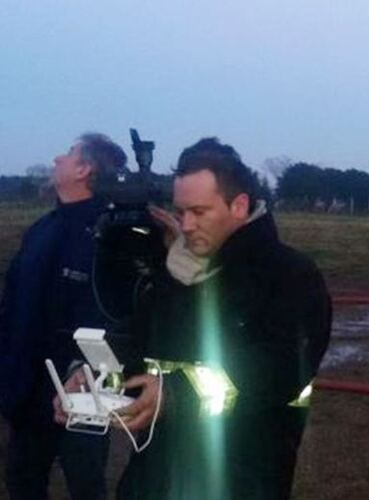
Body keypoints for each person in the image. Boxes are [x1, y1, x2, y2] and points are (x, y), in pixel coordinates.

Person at [106, 138, 331, 499]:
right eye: (181, 213)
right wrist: (93, 380)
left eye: (199, 211)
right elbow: (138, 348)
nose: (187, 225)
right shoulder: (169, 274)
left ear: (239, 205)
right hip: (153, 479)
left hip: (242, 477)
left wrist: (175, 395)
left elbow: (277, 370)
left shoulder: (289, 276)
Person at [0, 133, 127, 499]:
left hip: (81, 391)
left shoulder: (111, 237)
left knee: (86, 485)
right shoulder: (42, 230)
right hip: (25, 392)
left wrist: (81, 374)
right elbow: (12, 307)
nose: (57, 158)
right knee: (23, 481)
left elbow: (114, 318)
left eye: (69, 154)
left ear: (84, 169)